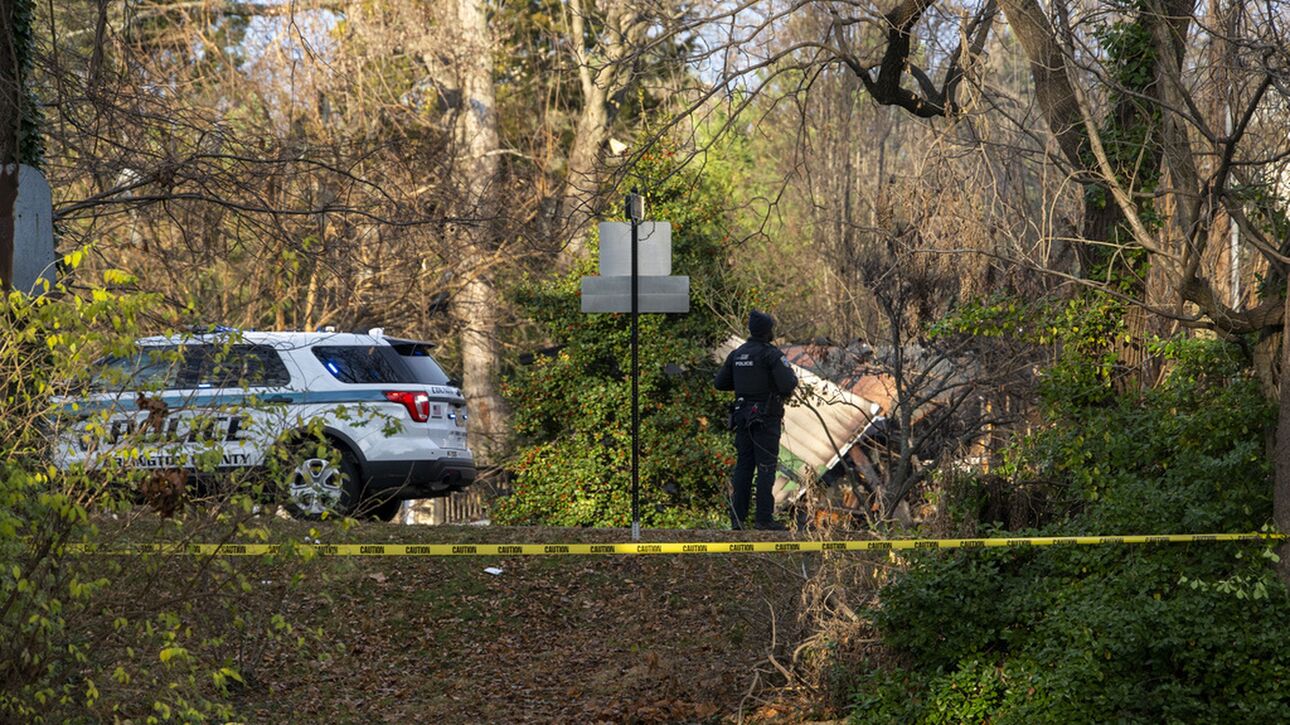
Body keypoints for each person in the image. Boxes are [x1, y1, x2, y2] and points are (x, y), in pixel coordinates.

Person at [714, 310, 798, 530]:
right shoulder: (770, 355)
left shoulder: (737, 354)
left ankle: (737, 519)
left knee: (743, 467)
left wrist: (745, 384)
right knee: (766, 468)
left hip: (742, 418)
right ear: (768, 331)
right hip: (765, 420)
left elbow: (720, 383)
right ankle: (763, 519)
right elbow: (788, 384)